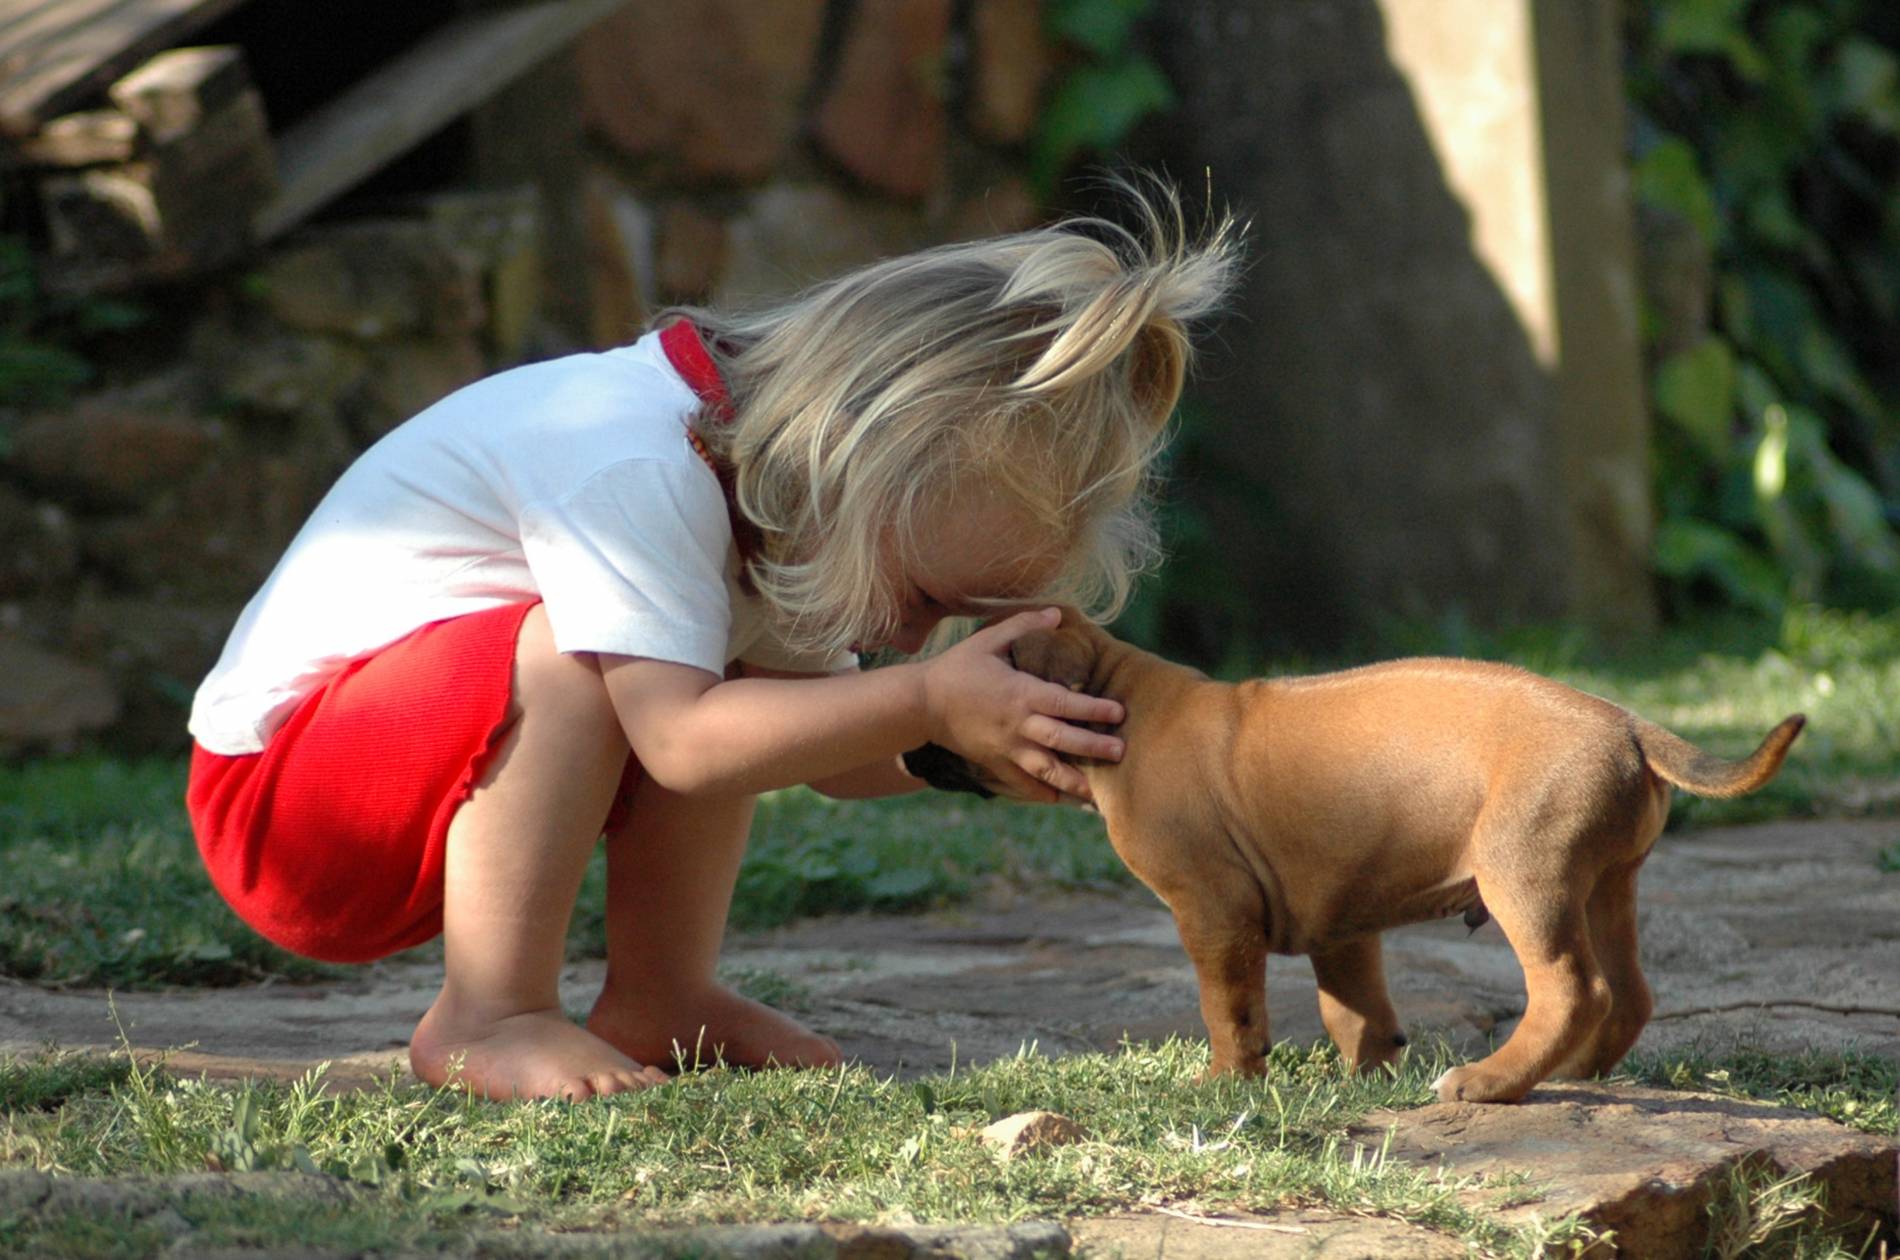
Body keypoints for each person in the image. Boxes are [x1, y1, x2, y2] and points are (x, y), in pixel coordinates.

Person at [185, 180, 1240, 1102]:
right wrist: (925, 697)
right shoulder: (628, 460)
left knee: (736, 688)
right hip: (289, 814)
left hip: (411, 796)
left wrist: (987, 745)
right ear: (855, 458)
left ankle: (661, 999)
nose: (914, 636)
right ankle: (487, 1016)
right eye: (921, 596)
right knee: (583, 660)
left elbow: (826, 755)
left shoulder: (779, 491)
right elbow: (685, 745)